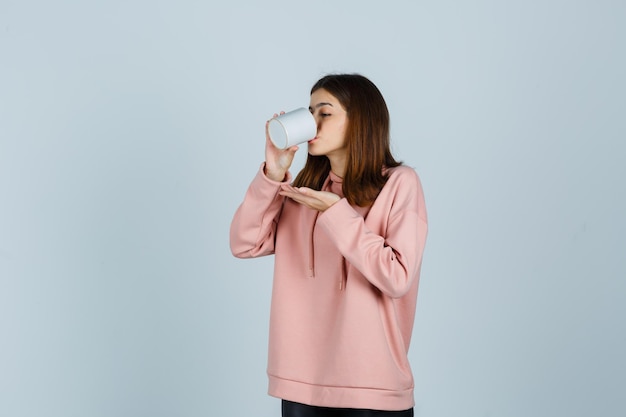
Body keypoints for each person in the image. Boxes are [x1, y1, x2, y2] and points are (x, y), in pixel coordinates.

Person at [230, 73, 428, 417]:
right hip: (299, 383)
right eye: (309, 112)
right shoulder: (301, 191)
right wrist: (273, 174)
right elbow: (244, 244)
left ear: (360, 122)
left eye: (325, 112)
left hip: (372, 387)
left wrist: (337, 213)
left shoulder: (399, 184)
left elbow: (397, 277)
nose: (311, 122)